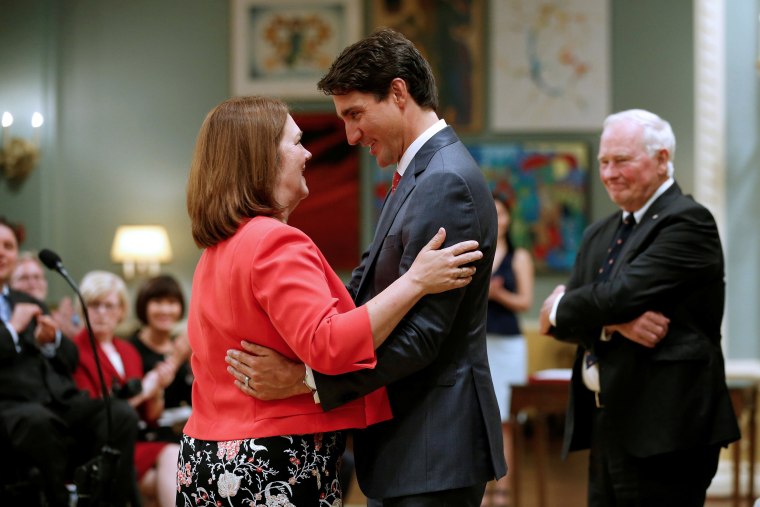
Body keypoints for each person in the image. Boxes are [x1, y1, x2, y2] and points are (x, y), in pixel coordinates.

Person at [226, 28, 506, 506]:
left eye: (356, 115)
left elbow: (422, 337)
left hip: (432, 445)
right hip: (414, 444)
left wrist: (303, 380)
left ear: (398, 93)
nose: (351, 136)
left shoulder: (445, 182)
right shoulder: (420, 173)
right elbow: (365, 288)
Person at [179, 95, 483, 507]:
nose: (307, 154)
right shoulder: (273, 241)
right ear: (261, 159)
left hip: (207, 455)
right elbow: (329, 344)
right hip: (268, 461)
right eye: (295, 142)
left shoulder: (216, 251)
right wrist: (415, 282)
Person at [537, 109, 740, 506]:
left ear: (662, 159)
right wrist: (612, 326)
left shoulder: (688, 222)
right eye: (604, 162)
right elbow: (573, 321)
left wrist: (560, 304)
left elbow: (620, 295)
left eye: (622, 161)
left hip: (667, 429)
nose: (610, 173)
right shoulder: (601, 231)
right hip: (606, 420)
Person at [0, 216, 139, 506]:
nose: (2, 252)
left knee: (119, 414)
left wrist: (53, 341)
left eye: (8, 246)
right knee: (39, 423)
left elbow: (71, 359)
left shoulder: (28, 301)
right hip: (12, 405)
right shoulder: (18, 312)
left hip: (58, 400)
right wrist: (12, 328)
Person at [71, 270, 179, 507]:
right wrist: (146, 391)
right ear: (82, 308)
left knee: (172, 459)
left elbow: (151, 417)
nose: (102, 313)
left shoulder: (127, 350)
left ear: (121, 310)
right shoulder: (75, 349)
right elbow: (95, 412)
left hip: (137, 440)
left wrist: (158, 388)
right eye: (94, 305)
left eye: (109, 306)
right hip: (101, 447)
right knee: (166, 476)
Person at [483, 194, 534, 507]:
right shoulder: (475, 249)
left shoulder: (520, 256)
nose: (497, 218)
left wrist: (498, 294)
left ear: (509, 219)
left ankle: (502, 491)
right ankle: (482, 489)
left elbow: (525, 302)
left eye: (502, 213)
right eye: (492, 212)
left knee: (505, 421)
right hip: (478, 343)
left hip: (508, 345)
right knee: (479, 419)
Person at [128, 274, 192, 440]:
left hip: (184, 427)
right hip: (149, 433)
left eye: (171, 303)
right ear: (144, 306)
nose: (165, 310)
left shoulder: (182, 347)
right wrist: (176, 359)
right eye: (157, 302)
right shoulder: (130, 349)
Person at [11, 251, 83, 338]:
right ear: (10, 284)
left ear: (46, 283)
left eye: (37, 277)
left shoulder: (56, 319)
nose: (32, 284)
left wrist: (68, 335)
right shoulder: (7, 320)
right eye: (24, 278)